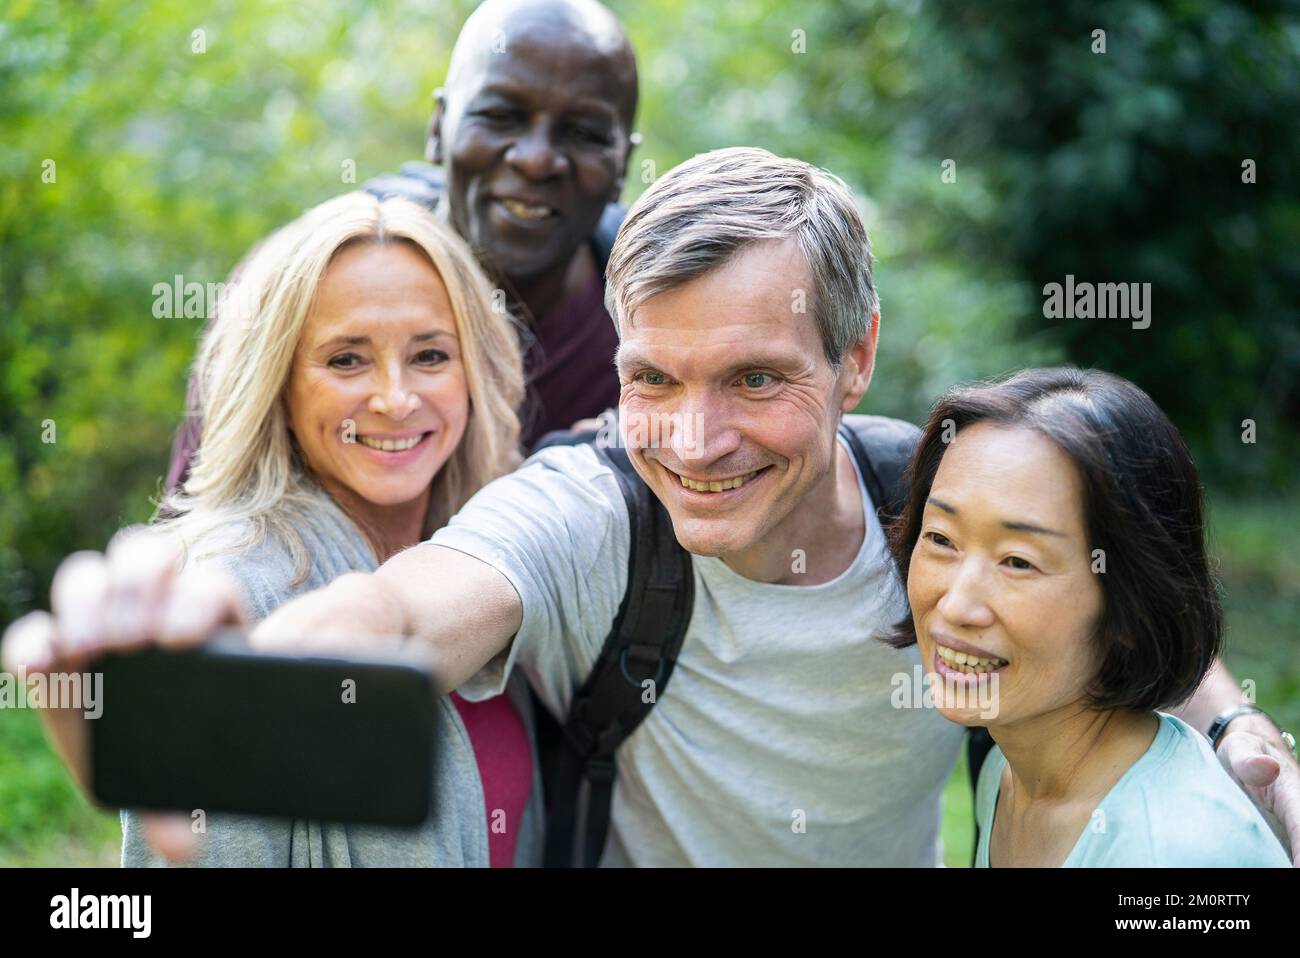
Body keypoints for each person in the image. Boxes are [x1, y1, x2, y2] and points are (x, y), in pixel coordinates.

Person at [9, 148, 1297, 866]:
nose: (693, 441)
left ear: (854, 362)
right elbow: (402, 613)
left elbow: (1113, 577)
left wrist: (1244, 737)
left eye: (754, 379)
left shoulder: (930, 504)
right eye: (651, 379)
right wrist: (200, 690)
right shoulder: (593, 514)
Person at [5, 191, 541, 867]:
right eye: (346, 359)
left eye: (430, 355)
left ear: (473, 372)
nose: (396, 398)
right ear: (279, 386)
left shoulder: (489, 556)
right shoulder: (234, 585)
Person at [165, 0, 640, 493]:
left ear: (623, 164)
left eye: (582, 133)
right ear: (438, 127)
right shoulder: (299, 285)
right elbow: (198, 522)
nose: (537, 160)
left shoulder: (658, 323)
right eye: (500, 116)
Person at [884, 367, 1290, 866]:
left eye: (1017, 561)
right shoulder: (1006, 774)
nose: (955, 606)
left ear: (1130, 601)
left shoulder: (1174, 853)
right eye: (942, 539)